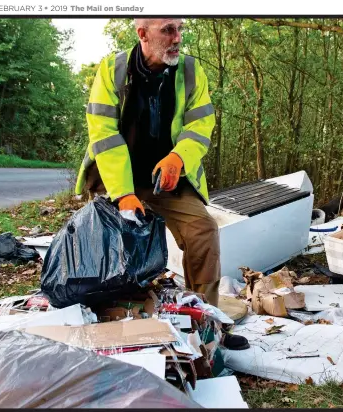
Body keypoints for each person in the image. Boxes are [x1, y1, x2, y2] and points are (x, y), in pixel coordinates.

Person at [74, 18, 249, 349]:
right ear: (142, 34)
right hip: (116, 178)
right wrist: (123, 193)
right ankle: (109, 320)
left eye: (180, 29)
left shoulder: (192, 71)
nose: (177, 38)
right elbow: (103, 133)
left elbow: (200, 125)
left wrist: (178, 158)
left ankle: (204, 321)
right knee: (110, 246)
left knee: (203, 230)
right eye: (168, 29)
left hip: (167, 178)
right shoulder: (111, 69)